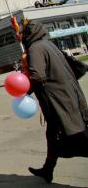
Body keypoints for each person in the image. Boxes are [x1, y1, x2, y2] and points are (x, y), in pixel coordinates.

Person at [20, 20, 88, 183]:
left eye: (24, 33)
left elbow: (37, 76)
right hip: (69, 97)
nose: (22, 36)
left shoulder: (36, 48)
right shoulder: (49, 45)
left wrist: (26, 91)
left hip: (59, 102)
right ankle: (48, 169)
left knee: (77, 138)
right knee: (53, 135)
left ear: (29, 33)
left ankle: (48, 169)